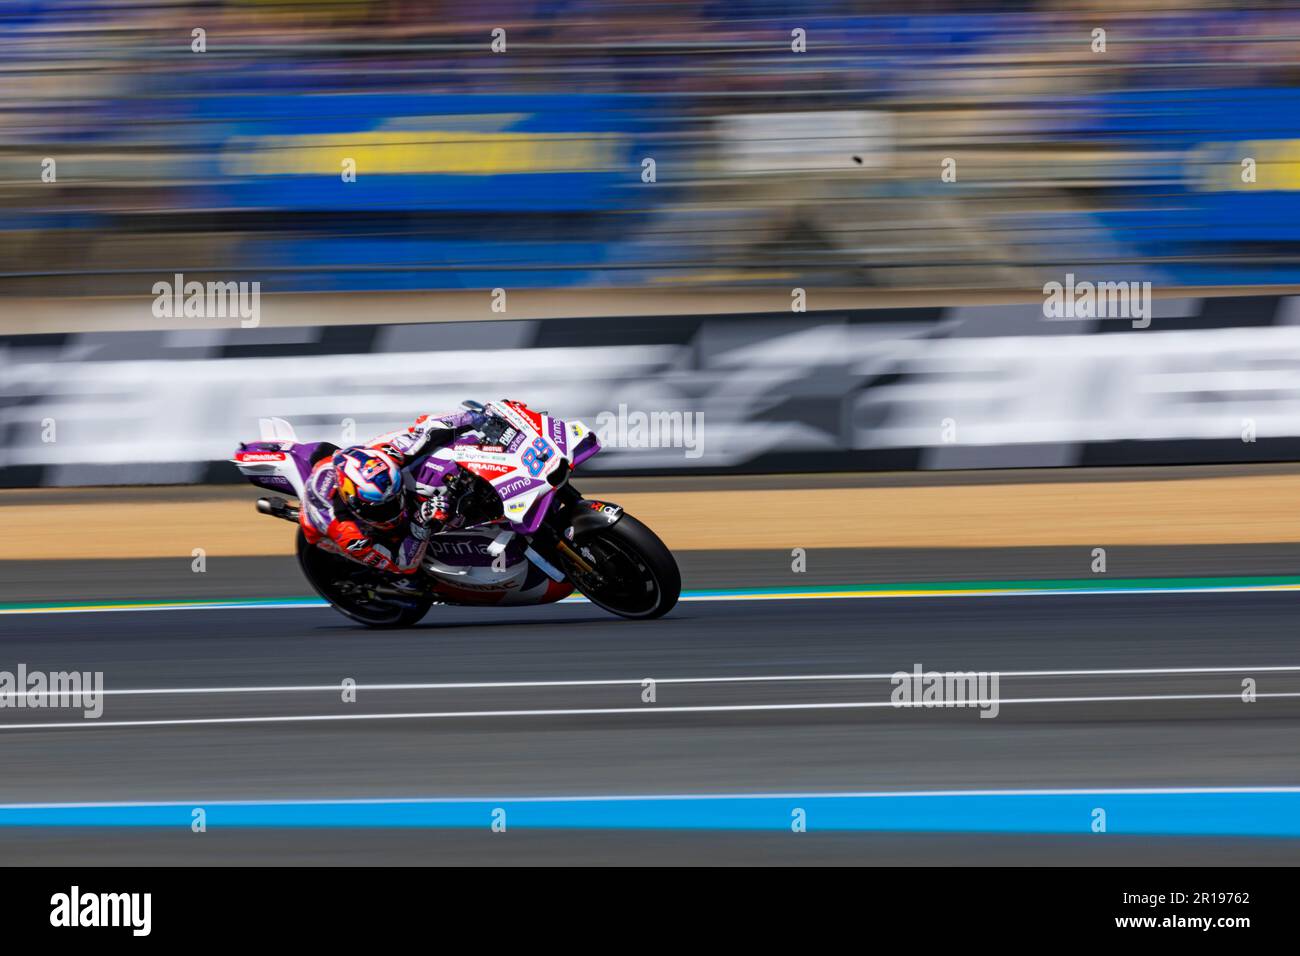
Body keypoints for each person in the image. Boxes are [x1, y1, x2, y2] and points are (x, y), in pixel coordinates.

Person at [298, 410, 480, 576]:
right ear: (355, 504)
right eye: (382, 508)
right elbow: (404, 565)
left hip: (352, 464)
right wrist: (420, 522)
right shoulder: (349, 534)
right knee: (394, 549)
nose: (391, 511)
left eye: (394, 500)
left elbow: (429, 428)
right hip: (328, 530)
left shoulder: (388, 457)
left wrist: (477, 416)